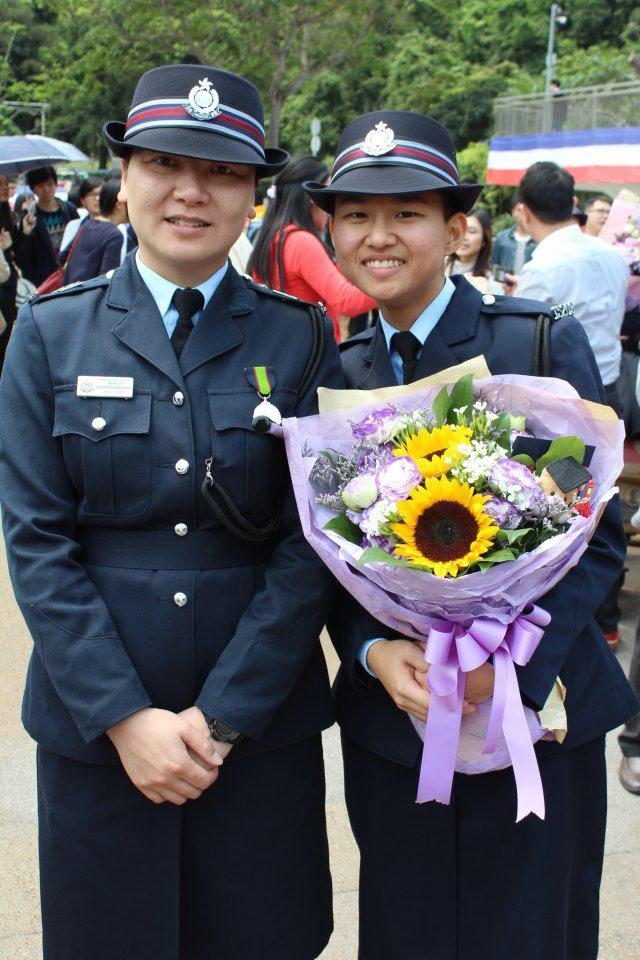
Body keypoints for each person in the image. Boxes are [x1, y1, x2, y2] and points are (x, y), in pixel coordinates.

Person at [0, 63, 354, 960]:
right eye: (164, 163)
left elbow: (313, 543)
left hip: (257, 729)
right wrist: (125, 716)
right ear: (125, 177)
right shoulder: (50, 332)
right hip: (99, 735)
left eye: (223, 172)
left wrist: (223, 716)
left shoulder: (300, 336)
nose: (191, 191)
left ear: (253, 195)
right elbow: (35, 540)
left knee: (259, 937)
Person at [303, 109, 639, 960]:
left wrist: (509, 663)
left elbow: (596, 532)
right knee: (406, 931)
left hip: (539, 715)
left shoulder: (534, 341)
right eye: (356, 215)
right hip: (399, 722)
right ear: (331, 231)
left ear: (458, 229)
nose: (379, 236)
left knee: (532, 931)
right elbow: (325, 551)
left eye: (407, 213)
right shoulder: (337, 369)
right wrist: (372, 651)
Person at [512, 162, 629, 649]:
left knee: (571, 516)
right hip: (612, 393)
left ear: (522, 212)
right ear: (574, 203)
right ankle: (607, 620)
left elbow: (521, 344)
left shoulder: (543, 268)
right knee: (604, 506)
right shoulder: (611, 256)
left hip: (562, 413)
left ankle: (575, 627)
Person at [249, 155, 376, 342]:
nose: (330, 206)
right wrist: (395, 286)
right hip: (312, 349)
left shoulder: (276, 236)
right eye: (327, 195)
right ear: (312, 197)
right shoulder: (300, 242)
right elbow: (346, 300)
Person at [13, 166, 78, 287]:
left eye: (50, 184)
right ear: (33, 188)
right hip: (42, 282)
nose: (46, 189)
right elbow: (22, 258)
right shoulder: (28, 217)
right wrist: (26, 234)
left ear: (55, 183)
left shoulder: (69, 210)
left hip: (70, 276)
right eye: (40, 186)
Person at [65, 179, 128, 284]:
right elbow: (106, 279)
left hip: (70, 290)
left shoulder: (87, 225)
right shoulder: (114, 235)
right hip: (90, 293)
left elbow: (63, 256)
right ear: (119, 204)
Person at [445, 206, 493, 292]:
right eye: (460, 230)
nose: (464, 237)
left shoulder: (490, 280)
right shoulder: (438, 267)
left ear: (484, 240)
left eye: (471, 231)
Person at [491, 191, 536, 274]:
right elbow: (494, 265)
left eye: (527, 209)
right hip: (505, 281)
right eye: (519, 210)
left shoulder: (538, 240)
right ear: (513, 211)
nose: (523, 214)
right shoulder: (501, 238)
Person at [0, 174, 19, 367]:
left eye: (6, 183)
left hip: (9, 285)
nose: (5, 187)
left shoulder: (8, 213)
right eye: (0, 184)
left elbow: (16, 253)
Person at [59, 176, 102, 255]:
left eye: (101, 194)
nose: (97, 198)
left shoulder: (116, 226)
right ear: (83, 200)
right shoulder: (74, 226)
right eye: (93, 194)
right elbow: (64, 255)